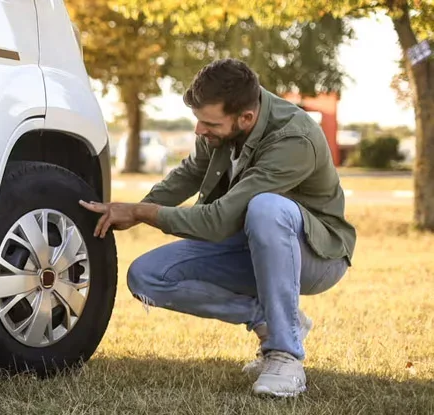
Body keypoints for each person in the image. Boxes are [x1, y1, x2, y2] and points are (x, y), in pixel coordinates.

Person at [79, 58, 356, 398]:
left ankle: (285, 356)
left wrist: (141, 212)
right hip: (247, 245)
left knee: (266, 208)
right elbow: (190, 173)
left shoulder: (293, 139)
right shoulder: (220, 129)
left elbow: (217, 220)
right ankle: (273, 318)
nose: (199, 130)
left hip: (316, 256)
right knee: (147, 276)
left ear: (246, 118)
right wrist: (133, 210)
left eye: (208, 123)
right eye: (198, 120)